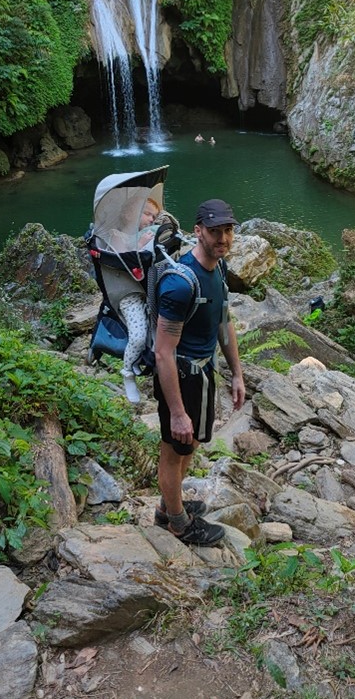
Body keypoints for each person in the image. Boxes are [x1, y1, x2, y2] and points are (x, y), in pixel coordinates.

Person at [153, 198, 245, 546]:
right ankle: (176, 522)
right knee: (175, 447)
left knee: (189, 445)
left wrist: (236, 373)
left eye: (228, 230)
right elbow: (163, 353)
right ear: (198, 232)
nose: (223, 238)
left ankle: (169, 505)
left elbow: (223, 321)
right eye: (215, 231)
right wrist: (176, 412)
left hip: (204, 374)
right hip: (179, 376)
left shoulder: (218, 269)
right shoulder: (180, 284)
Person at [115, 197, 160, 404]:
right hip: (128, 292)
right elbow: (120, 259)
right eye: (147, 214)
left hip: (149, 288)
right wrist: (140, 244)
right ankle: (127, 373)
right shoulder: (117, 234)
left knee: (160, 331)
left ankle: (154, 367)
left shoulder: (145, 233)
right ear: (129, 214)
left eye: (154, 216)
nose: (151, 219)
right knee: (139, 336)